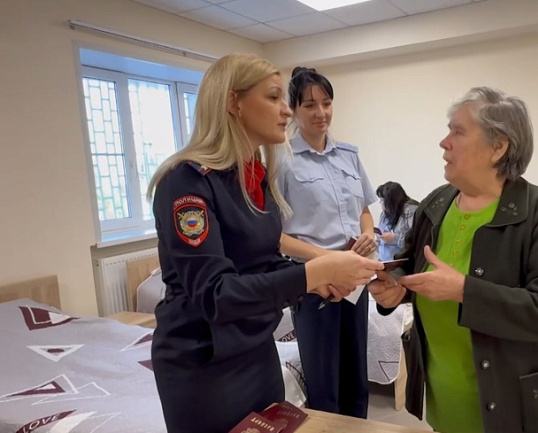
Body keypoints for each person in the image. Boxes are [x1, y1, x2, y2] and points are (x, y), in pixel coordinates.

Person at [147, 54, 383, 433]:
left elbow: (261, 262)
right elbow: (216, 294)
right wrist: (312, 273)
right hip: (204, 361)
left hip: (256, 348)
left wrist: (317, 281)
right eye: (274, 98)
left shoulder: (254, 178)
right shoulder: (187, 182)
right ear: (233, 102)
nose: (287, 110)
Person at [369, 87, 538, 433]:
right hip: (443, 396)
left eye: (458, 132)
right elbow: (410, 262)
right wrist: (397, 287)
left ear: (499, 147)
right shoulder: (435, 204)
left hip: (510, 406)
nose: (444, 142)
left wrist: (464, 290)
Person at [277, 67, 377, 419]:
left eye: (327, 103)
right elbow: (275, 235)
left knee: (356, 376)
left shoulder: (348, 155)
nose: (321, 113)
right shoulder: (282, 161)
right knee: (324, 381)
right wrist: (326, 260)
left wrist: (368, 233)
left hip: (354, 278)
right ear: (293, 110)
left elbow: (364, 210)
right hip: (314, 280)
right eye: (309, 105)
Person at [376, 181, 419, 261]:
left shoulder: (411, 211)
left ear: (391, 200)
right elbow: (379, 240)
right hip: (384, 261)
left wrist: (394, 238)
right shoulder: (384, 214)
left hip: (404, 263)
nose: (381, 203)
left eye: (382, 200)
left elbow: (416, 240)